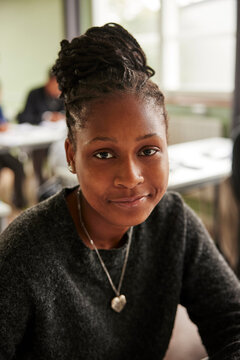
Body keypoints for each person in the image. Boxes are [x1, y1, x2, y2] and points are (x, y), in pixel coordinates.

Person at [0, 23, 240, 360]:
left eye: (148, 150)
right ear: (72, 156)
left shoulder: (174, 222)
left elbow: (232, 320)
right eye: (103, 154)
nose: (131, 177)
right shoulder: (24, 254)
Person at [17, 70, 65, 185]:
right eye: (56, 85)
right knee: (38, 150)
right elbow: (24, 117)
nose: (58, 89)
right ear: (49, 81)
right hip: (37, 140)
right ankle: (41, 183)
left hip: (56, 138)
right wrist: (46, 117)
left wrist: (61, 116)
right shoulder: (35, 94)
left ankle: (57, 181)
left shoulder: (63, 96)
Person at [0, 87, 26, 209]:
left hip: (3, 151)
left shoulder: (0, 107)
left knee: (19, 166)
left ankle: (19, 203)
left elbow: (4, 124)